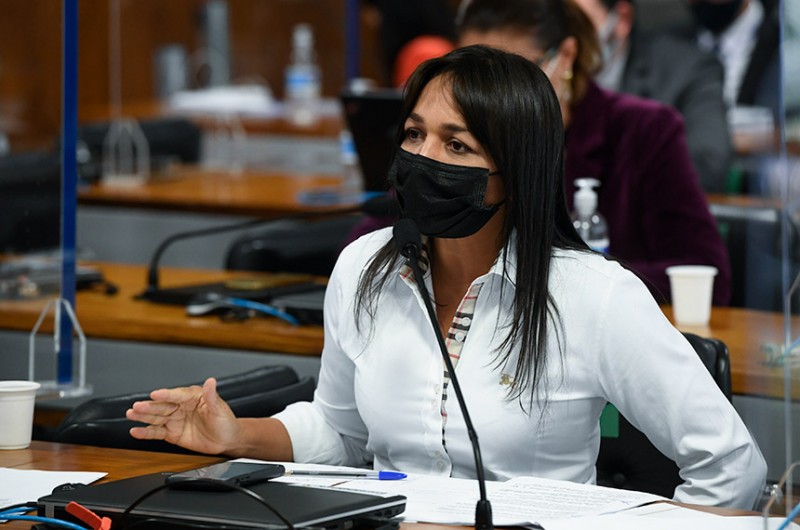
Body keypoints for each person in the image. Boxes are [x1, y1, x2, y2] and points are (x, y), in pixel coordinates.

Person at [127, 45, 766, 509]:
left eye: (456, 145)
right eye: (414, 134)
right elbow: (342, 432)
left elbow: (732, 467)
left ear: (516, 173)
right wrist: (238, 434)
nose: (423, 158)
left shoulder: (594, 297)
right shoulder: (364, 267)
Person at [353, 0, 733, 306]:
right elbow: (376, 237)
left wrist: (559, 277)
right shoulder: (456, 140)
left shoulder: (644, 129)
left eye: (513, 73)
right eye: (472, 75)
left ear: (565, 56)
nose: (488, 96)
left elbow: (703, 274)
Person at [571, 0, 733, 193]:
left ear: (622, 20)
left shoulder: (688, 71)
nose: (570, 40)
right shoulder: (553, 68)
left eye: (579, 24)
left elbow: (708, 166)